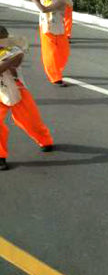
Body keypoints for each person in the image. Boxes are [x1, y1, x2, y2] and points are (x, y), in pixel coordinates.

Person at [0, 26, 54, 170]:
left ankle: (44, 140)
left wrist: (4, 65)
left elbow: (17, 59)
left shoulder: (14, 50)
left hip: (16, 90)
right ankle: (0, 156)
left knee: (31, 122)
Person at [24, 0, 70, 86]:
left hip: (59, 30)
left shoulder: (61, 0)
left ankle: (57, 70)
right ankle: (56, 78)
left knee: (64, 54)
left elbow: (44, 9)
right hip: (46, 30)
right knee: (50, 54)